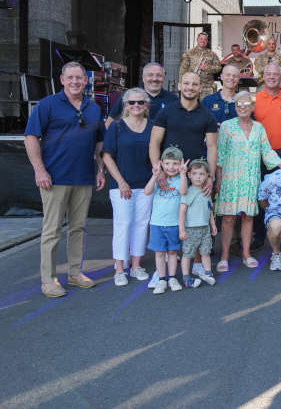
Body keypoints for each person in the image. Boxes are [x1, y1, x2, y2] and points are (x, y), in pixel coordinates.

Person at [24, 61, 106, 298]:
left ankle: (74, 272)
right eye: (70, 78)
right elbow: (31, 138)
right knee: (51, 231)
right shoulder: (47, 105)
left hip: (83, 177)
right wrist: (40, 171)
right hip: (54, 179)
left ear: (86, 80)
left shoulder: (93, 108)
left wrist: (100, 169)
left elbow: (99, 141)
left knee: (78, 228)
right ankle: (48, 279)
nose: (74, 82)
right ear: (61, 80)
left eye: (79, 78)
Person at [149, 71, 218, 282]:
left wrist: (211, 177)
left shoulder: (207, 115)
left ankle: (196, 264)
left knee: (196, 221)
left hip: (196, 175)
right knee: (168, 220)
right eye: (186, 83)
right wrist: (157, 169)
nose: (190, 87)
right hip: (169, 175)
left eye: (194, 84)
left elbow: (212, 147)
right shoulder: (166, 112)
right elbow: (154, 143)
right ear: (180, 85)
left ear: (200, 88)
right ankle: (161, 272)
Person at [215, 91, 281, 271]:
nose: (242, 108)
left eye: (246, 105)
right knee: (228, 219)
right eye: (239, 105)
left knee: (248, 217)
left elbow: (266, 151)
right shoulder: (227, 127)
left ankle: (246, 253)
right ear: (235, 107)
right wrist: (218, 178)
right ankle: (224, 256)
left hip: (251, 178)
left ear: (253, 107)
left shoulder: (259, 128)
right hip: (230, 178)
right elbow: (220, 154)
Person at [101, 88, 154, 286]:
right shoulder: (116, 127)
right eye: (132, 102)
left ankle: (136, 265)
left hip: (146, 185)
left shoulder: (153, 127)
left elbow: (157, 156)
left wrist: (155, 180)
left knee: (141, 223)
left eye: (140, 102)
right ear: (125, 105)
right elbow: (107, 155)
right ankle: (120, 268)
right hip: (121, 185)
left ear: (146, 105)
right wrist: (121, 182)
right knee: (123, 224)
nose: (136, 106)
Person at [252, 62, 281, 250]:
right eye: (268, 73)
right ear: (263, 75)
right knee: (260, 194)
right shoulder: (255, 99)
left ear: (280, 76)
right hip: (259, 154)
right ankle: (260, 235)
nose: (271, 76)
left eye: (275, 74)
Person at [143, 147, 186, 294]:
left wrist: (183, 174)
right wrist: (155, 176)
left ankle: (172, 277)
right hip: (157, 223)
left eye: (175, 163)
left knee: (173, 252)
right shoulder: (158, 179)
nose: (171, 167)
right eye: (167, 163)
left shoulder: (181, 179)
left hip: (174, 223)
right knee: (160, 253)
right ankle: (161, 279)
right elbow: (147, 191)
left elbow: (184, 191)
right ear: (161, 163)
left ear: (180, 164)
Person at [179, 159, 218, 288]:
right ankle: (186, 278)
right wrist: (182, 230)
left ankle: (208, 273)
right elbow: (182, 211)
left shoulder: (206, 191)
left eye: (201, 174)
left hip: (205, 229)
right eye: (195, 174)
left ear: (207, 176)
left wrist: (213, 226)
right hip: (191, 229)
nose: (198, 177)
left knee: (205, 252)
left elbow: (209, 210)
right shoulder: (188, 192)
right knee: (187, 254)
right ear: (190, 175)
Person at [105, 62, 177, 128]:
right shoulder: (130, 96)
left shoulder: (173, 99)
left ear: (164, 78)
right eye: (150, 75)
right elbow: (109, 122)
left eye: (159, 75)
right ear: (143, 78)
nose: (155, 79)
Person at [179, 32, 222, 99]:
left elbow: (219, 68)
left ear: (207, 41)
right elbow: (183, 70)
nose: (203, 41)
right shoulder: (189, 53)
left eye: (205, 39)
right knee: (192, 107)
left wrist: (207, 68)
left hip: (207, 87)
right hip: (192, 86)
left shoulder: (212, 54)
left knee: (206, 107)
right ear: (197, 39)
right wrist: (182, 84)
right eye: (201, 38)